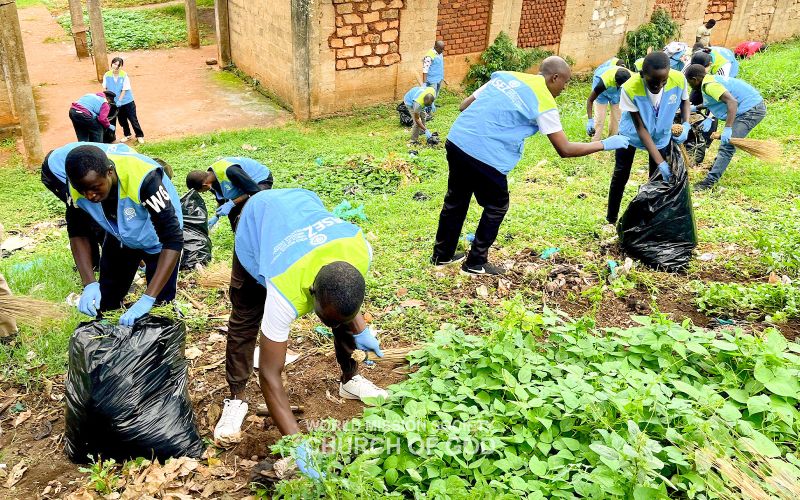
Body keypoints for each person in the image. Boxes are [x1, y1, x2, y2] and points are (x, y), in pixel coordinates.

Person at [214, 189, 386, 477]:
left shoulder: (360, 251)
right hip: (257, 223)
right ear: (312, 293)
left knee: (341, 310)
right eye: (324, 317)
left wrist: (360, 328)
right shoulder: (285, 289)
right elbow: (270, 373)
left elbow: (345, 299)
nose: (330, 326)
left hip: (300, 204)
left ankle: (351, 378)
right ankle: (237, 397)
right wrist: (296, 443)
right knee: (245, 318)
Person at [430, 57, 631, 276]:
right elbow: (564, 149)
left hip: (458, 141)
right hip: (486, 155)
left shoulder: (505, 76)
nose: (565, 88)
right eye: (565, 82)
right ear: (554, 77)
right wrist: (604, 144)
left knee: (456, 199)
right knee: (497, 205)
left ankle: (442, 255)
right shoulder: (544, 101)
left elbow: (463, 105)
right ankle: (475, 262)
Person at [65, 145, 183, 326]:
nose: (89, 195)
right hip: (120, 236)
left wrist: (148, 298)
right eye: (83, 190)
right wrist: (89, 283)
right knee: (107, 301)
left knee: (160, 307)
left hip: (157, 240)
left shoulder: (144, 178)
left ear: (110, 172)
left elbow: (173, 239)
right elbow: (77, 233)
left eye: (95, 188)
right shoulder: (77, 184)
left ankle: (160, 347)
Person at [609, 52, 691, 225]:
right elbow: (640, 127)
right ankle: (611, 218)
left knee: (657, 179)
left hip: (661, 135)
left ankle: (651, 221)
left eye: (664, 81)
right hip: (631, 135)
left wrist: (686, 124)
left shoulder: (678, 79)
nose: (659, 86)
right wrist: (661, 161)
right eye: (654, 82)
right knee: (621, 174)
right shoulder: (630, 87)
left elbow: (685, 101)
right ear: (642, 75)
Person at [41, 142, 135, 269]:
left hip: (79, 164)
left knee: (102, 211)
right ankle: (97, 264)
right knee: (91, 215)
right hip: (55, 169)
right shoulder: (128, 164)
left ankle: (104, 261)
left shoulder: (132, 166)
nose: (90, 195)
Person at [685, 64, 766, 190]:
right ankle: (715, 168)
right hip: (750, 106)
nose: (690, 86)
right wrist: (696, 108)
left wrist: (728, 128)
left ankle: (709, 182)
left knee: (727, 146)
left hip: (751, 110)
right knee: (727, 145)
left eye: (689, 82)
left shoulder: (710, 85)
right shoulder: (710, 80)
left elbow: (732, 102)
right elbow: (714, 100)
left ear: (695, 79)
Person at [185, 157, 273, 231]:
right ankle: (241, 237)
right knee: (234, 215)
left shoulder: (231, 171)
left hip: (259, 181)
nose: (205, 192)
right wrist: (217, 216)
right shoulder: (210, 181)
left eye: (202, 191)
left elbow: (254, 191)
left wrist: (232, 203)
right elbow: (221, 199)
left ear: (204, 185)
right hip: (244, 186)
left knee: (253, 205)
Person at [103, 57, 145, 144]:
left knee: (133, 119)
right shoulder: (107, 75)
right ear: (111, 64)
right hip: (115, 103)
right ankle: (127, 135)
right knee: (122, 120)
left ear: (121, 66)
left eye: (119, 65)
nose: (116, 66)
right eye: (114, 64)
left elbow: (124, 89)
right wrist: (107, 98)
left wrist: (120, 101)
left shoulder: (124, 75)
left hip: (127, 101)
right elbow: (105, 87)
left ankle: (139, 135)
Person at [586, 64, 632, 140]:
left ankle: (612, 139)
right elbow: (590, 100)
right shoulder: (603, 82)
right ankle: (594, 142)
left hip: (616, 91)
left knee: (617, 117)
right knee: (600, 118)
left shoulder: (630, 78)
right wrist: (590, 120)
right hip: (601, 91)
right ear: (617, 83)